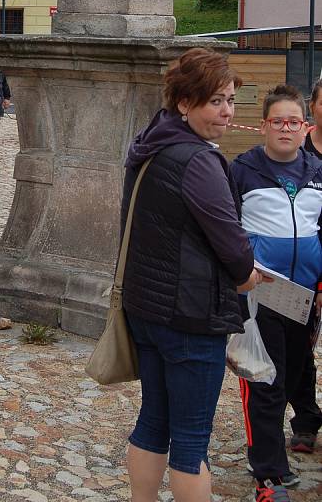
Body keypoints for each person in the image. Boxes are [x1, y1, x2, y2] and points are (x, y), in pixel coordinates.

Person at [122, 47, 260, 502]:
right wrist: (247, 275)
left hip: (147, 307)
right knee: (190, 441)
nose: (226, 112)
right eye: (215, 100)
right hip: (190, 315)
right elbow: (231, 242)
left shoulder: (149, 143)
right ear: (185, 103)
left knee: (152, 421)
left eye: (230, 100)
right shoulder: (198, 160)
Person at [231, 84, 322, 502]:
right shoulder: (243, 170)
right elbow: (226, 230)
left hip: (305, 296)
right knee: (264, 380)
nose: (286, 129)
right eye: (277, 122)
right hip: (261, 295)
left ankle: (274, 447)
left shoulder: (317, 172)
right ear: (264, 126)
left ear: (306, 126)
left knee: (294, 375)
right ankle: (268, 467)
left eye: (294, 122)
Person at [284, 81, 322, 455]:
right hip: (302, 269)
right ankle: (306, 420)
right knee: (299, 348)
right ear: (313, 106)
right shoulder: (301, 150)